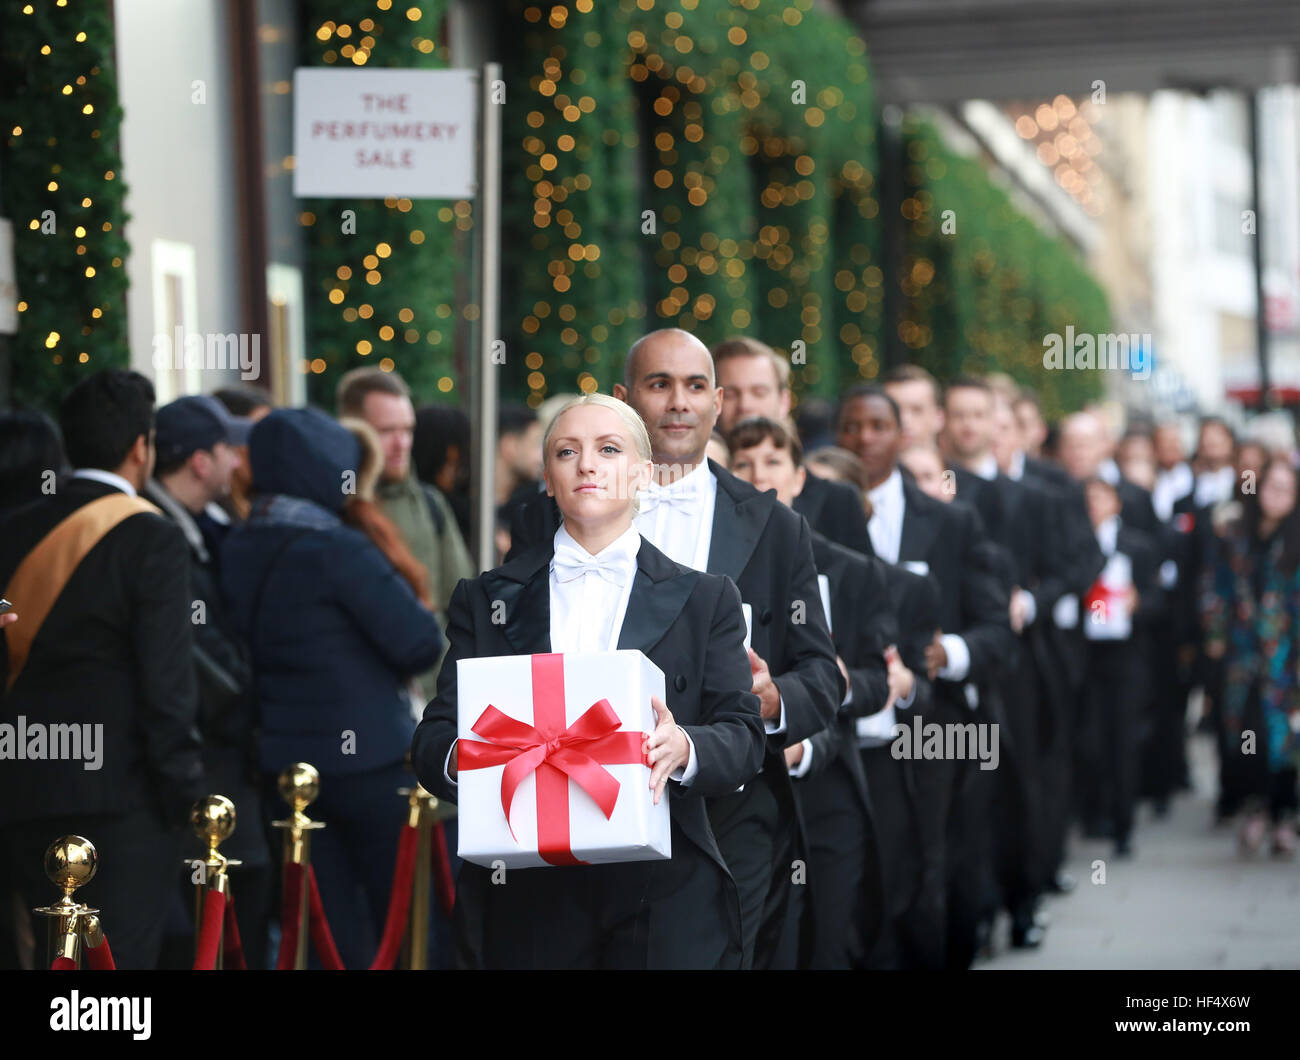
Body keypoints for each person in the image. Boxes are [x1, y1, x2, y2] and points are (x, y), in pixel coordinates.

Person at [508, 329, 842, 970]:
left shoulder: (774, 525)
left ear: (718, 403)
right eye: (659, 385)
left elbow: (822, 673)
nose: (679, 403)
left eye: (694, 387)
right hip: (585, 801)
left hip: (728, 813)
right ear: (624, 398)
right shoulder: (545, 515)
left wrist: (774, 701)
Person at [412, 393, 765, 968]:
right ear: (547, 477)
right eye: (567, 451)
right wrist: (472, 758)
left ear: (644, 473)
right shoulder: (485, 598)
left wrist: (686, 747)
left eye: (608, 448)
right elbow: (433, 739)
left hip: (665, 886)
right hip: (527, 887)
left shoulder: (706, 598)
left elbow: (745, 738)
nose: (588, 465)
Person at [220, 407, 445, 969]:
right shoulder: (338, 548)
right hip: (370, 761)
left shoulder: (234, 545)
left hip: (284, 769)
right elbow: (419, 642)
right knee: (406, 920)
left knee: (324, 930)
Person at [0, 370, 206, 970]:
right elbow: (167, 683)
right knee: (114, 972)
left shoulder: (13, 528)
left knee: (49, 963)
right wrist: (181, 795)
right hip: (122, 797)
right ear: (142, 446)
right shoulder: (151, 536)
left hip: (26, 782)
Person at [836, 384, 1012, 969]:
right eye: (852, 428)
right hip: (845, 725)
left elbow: (995, 625)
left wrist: (948, 654)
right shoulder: (808, 519)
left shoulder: (952, 521)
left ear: (902, 434)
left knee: (928, 858)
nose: (864, 440)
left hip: (934, 724)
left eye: (878, 426)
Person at [726, 415, 894, 969]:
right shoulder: (709, 570)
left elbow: (874, 678)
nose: (758, 477)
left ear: (800, 477)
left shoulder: (850, 570)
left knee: (824, 940)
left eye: (772, 463)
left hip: (826, 782)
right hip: (742, 788)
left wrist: (828, 689)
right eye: (742, 465)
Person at [147, 395, 273, 968]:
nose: (237, 462)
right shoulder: (158, 537)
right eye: (227, 449)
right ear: (201, 462)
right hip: (201, 773)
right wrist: (252, 706)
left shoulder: (196, 529)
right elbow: (205, 673)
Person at [337, 368, 476, 694]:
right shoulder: (334, 505)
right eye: (386, 431)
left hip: (433, 700)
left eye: (408, 430)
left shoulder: (430, 503)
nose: (402, 443)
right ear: (355, 430)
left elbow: (459, 604)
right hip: (364, 700)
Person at [1203, 456, 1300, 857]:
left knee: (1286, 738)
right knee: (1248, 736)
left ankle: (1283, 815)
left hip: (1288, 658)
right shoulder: (1237, 536)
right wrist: (1215, 633)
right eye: (1271, 487)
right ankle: (1255, 807)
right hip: (1244, 657)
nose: (1276, 496)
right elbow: (1216, 587)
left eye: (1286, 489)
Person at [713, 336, 871, 555]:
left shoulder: (838, 502)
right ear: (713, 402)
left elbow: (867, 583)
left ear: (784, 401)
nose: (745, 405)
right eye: (731, 394)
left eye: (759, 392)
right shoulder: (695, 494)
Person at [1077, 476, 1162, 858]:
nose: (1094, 504)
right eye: (1088, 497)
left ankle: (1123, 824)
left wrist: (1137, 603)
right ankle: (1095, 814)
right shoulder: (1075, 545)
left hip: (1127, 656)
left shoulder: (1138, 547)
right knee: (1091, 737)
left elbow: (1161, 600)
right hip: (1086, 655)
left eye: (1101, 496)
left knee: (1122, 740)